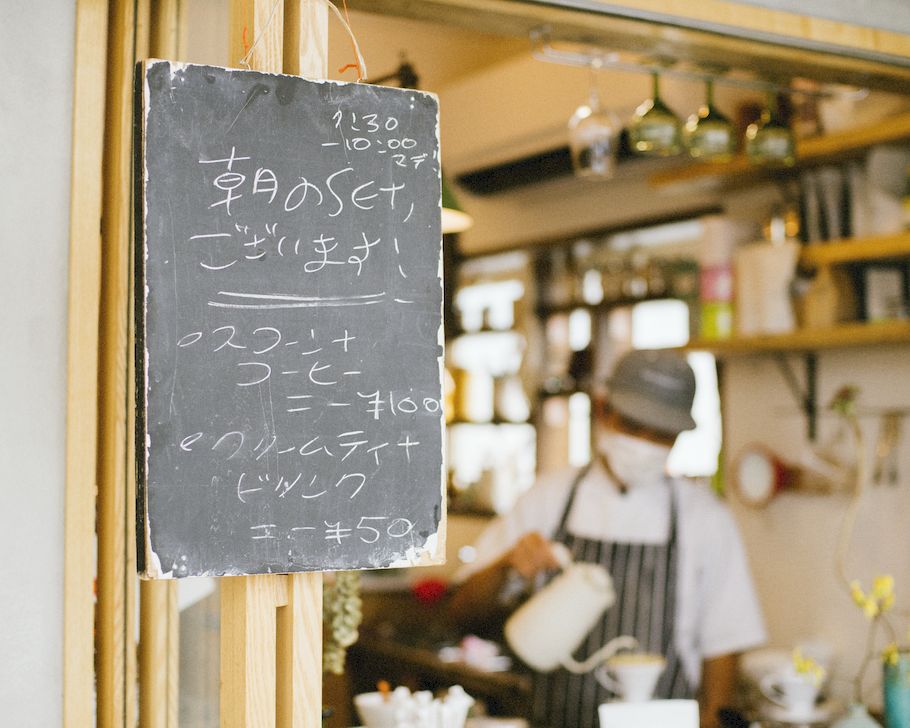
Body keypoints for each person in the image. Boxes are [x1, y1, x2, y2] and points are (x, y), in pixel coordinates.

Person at [447, 349, 766, 728]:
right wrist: (507, 568)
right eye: (633, 425)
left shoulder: (705, 519)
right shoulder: (548, 498)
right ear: (603, 411)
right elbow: (461, 612)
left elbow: (724, 648)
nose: (645, 442)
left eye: (661, 433)